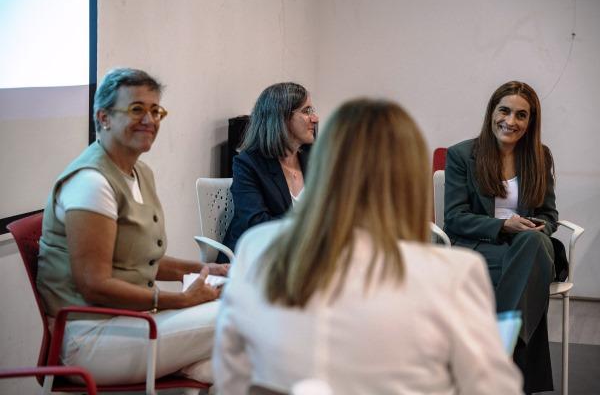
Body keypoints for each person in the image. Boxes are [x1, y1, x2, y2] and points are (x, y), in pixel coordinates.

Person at [213, 98, 523, 394]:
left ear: (323, 164)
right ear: (411, 178)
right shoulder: (454, 273)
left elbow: (231, 377)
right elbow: (492, 388)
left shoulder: (257, 247)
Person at [36, 68, 228, 386]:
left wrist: (202, 268)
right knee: (246, 317)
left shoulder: (139, 172)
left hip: (130, 323)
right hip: (90, 337)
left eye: (156, 111)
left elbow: (135, 261)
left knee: (232, 361)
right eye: (137, 109)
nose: (150, 120)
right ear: (104, 117)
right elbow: (93, 284)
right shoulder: (91, 182)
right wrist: (178, 300)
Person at [444, 81, 557, 393]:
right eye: (504, 110)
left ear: (530, 122)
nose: (511, 121)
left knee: (533, 244)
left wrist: (534, 227)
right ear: (491, 112)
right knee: (530, 273)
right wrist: (504, 226)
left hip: (528, 245)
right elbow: (454, 218)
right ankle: (508, 366)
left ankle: (491, 353)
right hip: (483, 247)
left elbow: (550, 217)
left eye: (522, 115)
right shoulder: (461, 155)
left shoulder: (539, 156)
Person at [219, 82, 318, 261]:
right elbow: (256, 224)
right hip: (255, 260)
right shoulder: (248, 163)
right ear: (282, 118)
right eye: (306, 111)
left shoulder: (315, 158)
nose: (315, 118)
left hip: (299, 259)